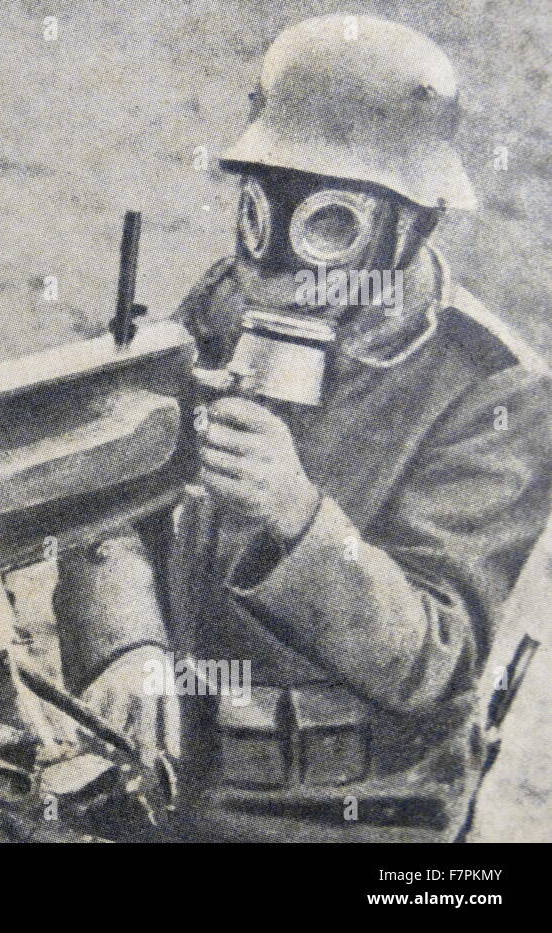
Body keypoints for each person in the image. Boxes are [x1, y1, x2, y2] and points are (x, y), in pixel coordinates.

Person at [57, 14, 551, 841]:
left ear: (411, 223)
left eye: (327, 223)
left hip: (355, 813)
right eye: (260, 209)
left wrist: (299, 516)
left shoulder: (490, 389)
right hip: (176, 775)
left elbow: (436, 654)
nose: (279, 259)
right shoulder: (224, 305)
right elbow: (113, 504)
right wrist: (127, 646)